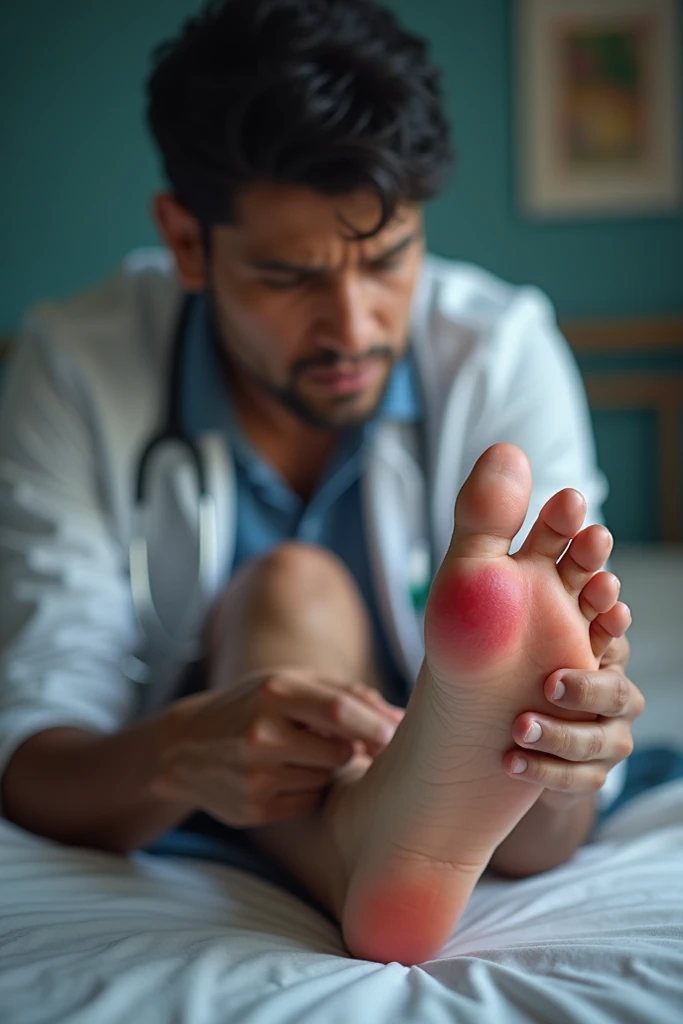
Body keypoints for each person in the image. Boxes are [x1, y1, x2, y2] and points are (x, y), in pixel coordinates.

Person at [0, 0, 644, 966]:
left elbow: (552, 810)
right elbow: (37, 755)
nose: (352, 326)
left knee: (552, 761)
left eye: (387, 262)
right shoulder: (80, 365)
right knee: (289, 589)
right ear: (186, 240)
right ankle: (373, 835)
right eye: (288, 277)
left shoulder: (496, 349)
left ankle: (409, 816)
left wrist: (571, 753)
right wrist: (182, 748)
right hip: (192, 767)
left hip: (459, 790)